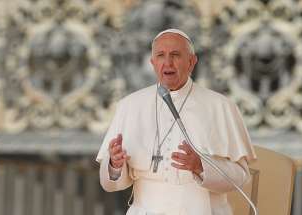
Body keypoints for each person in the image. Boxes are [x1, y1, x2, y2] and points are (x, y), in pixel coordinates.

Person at [96, 29, 257, 215]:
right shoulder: (129, 105)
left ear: (192, 62)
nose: (167, 63)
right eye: (160, 55)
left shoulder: (221, 106)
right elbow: (109, 183)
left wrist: (200, 166)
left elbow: (241, 176)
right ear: (152, 62)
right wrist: (115, 165)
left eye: (175, 55)